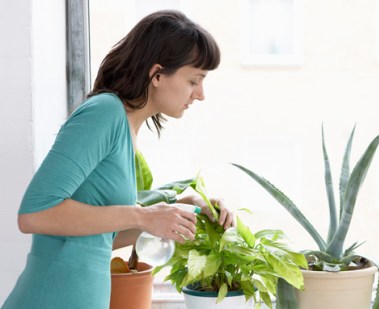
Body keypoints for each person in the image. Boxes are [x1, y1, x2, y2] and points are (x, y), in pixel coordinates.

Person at [2, 10, 232, 309]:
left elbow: (97, 239)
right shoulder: (104, 113)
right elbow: (34, 214)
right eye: (194, 80)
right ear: (158, 74)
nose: (200, 94)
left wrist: (185, 210)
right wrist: (143, 216)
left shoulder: (125, 129)